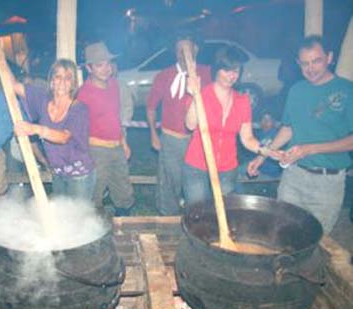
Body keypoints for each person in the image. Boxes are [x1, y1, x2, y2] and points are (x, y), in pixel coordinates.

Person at [248, 35, 353, 234]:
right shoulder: (297, 90)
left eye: (316, 61)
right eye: (305, 63)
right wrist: (262, 156)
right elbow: (288, 129)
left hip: (327, 182)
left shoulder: (347, 90)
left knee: (316, 239)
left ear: (329, 57)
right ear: (298, 63)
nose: (310, 69)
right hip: (293, 176)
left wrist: (310, 149)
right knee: (280, 232)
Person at [183, 46, 281, 205]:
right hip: (197, 165)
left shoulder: (242, 101)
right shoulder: (202, 95)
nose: (232, 75)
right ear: (217, 69)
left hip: (227, 168)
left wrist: (266, 150)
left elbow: (247, 138)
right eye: (227, 70)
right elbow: (190, 124)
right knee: (197, 213)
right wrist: (194, 95)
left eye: (236, 71)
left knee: (225, 212)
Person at [146, 33, 212, 215]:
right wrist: (153, 134)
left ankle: (197, 220)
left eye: (187, 50)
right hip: (171, 139)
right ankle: (169, 220)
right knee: (170, 183)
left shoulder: (207, 73)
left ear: (195, 49)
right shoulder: (164, 75)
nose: (183, 55)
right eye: (179, 51)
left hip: (197, 141)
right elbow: (151, 107)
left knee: (198, 183)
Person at [11, 57, 95, 199]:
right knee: (62, 216)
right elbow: (13, 85)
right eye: (58, 76)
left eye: (68, 78)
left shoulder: (79, 109)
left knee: (78, 217)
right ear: (51, 81)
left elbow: (64, 137)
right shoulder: (42, 99)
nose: (62, 82)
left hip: (79, 175)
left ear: (73, 83)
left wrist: (35, 129)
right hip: (57, 173)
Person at [78, 42, 134, 216]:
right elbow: (78, 128)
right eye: (99, 65)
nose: (106, 68)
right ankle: (93, 229)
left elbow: (115, 117)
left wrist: (123, 142)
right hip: (96, 149)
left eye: (108, 63)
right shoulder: (83, 94)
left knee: (123, 188)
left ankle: (123, 224)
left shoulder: (115, 86)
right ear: (89, 68)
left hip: (117, 146)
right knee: (95, 189)